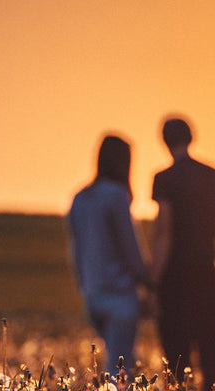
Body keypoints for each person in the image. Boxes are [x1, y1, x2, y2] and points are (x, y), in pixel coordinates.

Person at [150, 117, 215, 391]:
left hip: (175, 276)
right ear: (191, 137)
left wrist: (153, 281)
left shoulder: (164, 179)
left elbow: (163, 234)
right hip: (208, 271)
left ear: (164, 140)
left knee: (176, 353)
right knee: (210, 347)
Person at [67, 134, 151, 376]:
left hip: (92, 294)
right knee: (120, 368)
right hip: (120, 296)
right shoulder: (116, 195)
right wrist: (147, 279)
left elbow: (76, 250)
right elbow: (130, 246)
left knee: (117, 361)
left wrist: (84, 285)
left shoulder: (80, 198)